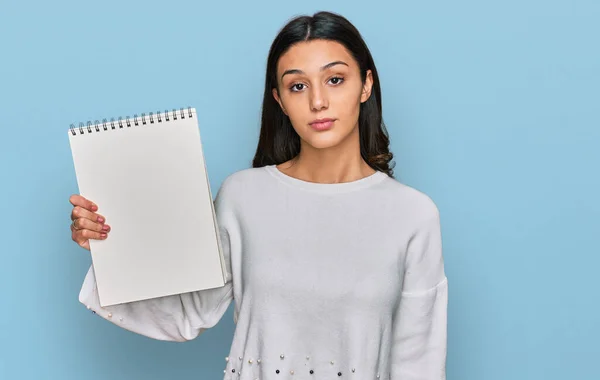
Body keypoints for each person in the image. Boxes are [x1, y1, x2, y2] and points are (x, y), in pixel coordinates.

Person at [69, 11, 448, 380]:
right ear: (280, 100)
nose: (318, 101)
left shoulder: (413, 215)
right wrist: (107, 247)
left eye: (335, 79)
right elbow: (187, 313)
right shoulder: (243, 197)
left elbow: (419, 363)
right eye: (298, 86)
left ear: (365, 85)